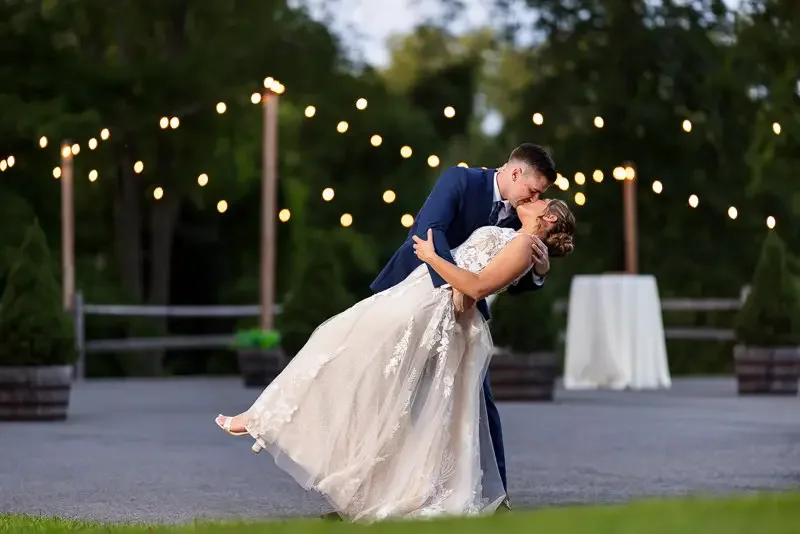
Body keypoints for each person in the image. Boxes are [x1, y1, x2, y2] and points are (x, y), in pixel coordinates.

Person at [215, 198, 575, 522]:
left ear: (549, 217)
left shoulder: (526, 246)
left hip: (436, 310)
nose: (533, 198)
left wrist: (434, 258)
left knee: (361, 365)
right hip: (419, 293)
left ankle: (269, 419)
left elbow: (478, 286)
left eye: (541, 198)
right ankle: (277, 422)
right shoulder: (515, 235)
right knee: (358, 363)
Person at [370, 143, 557, 506]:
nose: (535, 199)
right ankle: (363, 498)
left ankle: (494, 497)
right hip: (413, 304)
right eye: (534, 191)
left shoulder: (523, 219)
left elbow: (503, 279)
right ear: (515, 173)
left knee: (478, 404)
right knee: (391, 401)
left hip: (465, 320)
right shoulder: (460, 179)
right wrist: (453, 294)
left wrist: (538, 272)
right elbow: (428, 231)